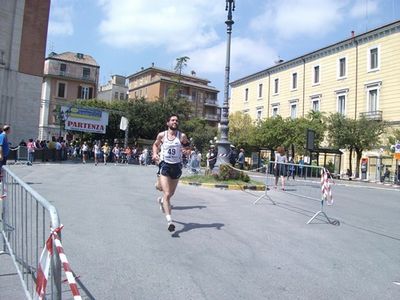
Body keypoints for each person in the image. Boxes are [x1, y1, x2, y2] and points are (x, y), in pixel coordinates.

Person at [152, 114, 190, 232]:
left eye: (177, 120)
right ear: (168, 123)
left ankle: (161, 200)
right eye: (172, 120)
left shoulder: (182, 136)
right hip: (165, 165)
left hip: (177, 166)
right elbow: (155, 145)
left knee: (170, 194)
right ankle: (170, 221)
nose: (175, 122)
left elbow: (188, 148)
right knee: (167, 193)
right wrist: (154, 153)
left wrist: (187, 151)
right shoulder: (162, 135)